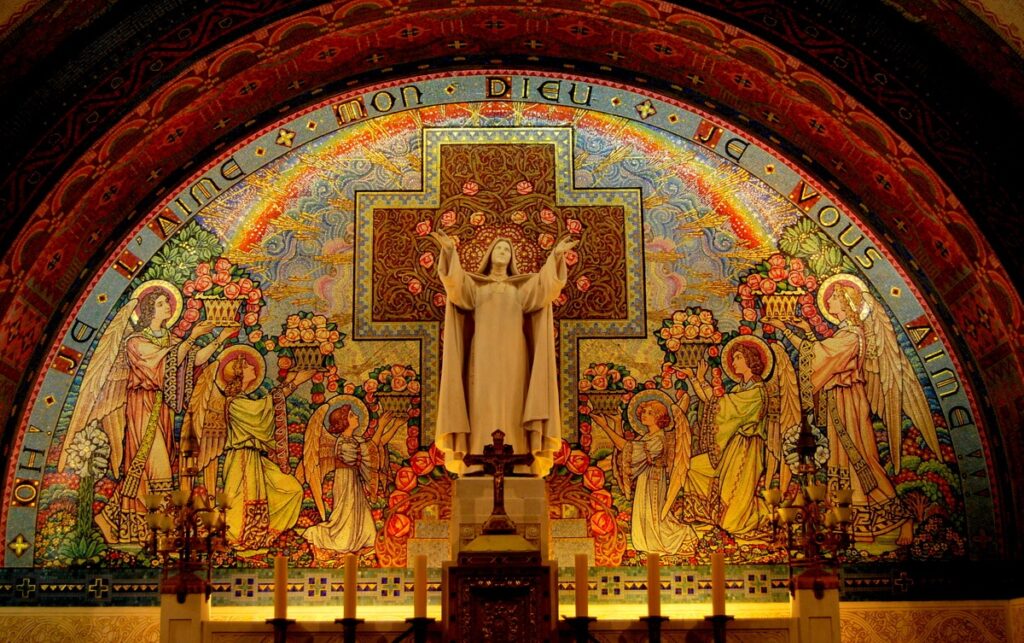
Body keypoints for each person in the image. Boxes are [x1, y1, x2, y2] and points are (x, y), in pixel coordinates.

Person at [764, 274, 940, 545]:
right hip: (839, 404)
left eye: (833, 297)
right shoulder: (844, 335)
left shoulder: (852, 336)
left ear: (846, 303)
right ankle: (851, 524)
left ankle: (903, 518)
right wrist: (793, 329)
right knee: (845, 463)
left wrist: (796, 331)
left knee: (863, 459)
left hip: (850, 404)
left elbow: (820, 357)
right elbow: (819, 353)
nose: (829, 300)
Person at [60, 280, 230, 543]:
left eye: (167, 304)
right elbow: (162, 362)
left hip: (161, 410)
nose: (167, 307)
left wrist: (219, 338)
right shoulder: (135, 342)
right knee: (156, 468)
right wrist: (193, 337)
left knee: (146, 471)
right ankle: (161, 532)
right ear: (149, 310)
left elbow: (192, 360)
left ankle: (111, 518)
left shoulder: (171, 339)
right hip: (142, 408)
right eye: (162, 304)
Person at [431, 230, 576, 476]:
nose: (502, 252)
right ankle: (477, 459)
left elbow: (545, 288)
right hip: (482, 358)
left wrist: (556, 256)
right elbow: (455, 286)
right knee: (481, 402)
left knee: (514, 401)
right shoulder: (476, 288)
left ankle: (518, 458)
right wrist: (448, 251)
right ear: (489, 255)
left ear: (512, 258)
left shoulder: (519, 290)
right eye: (498, 248)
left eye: (507, 250)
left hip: (515, 357)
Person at [187, 345, 309, 551]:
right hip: (241, 460)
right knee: (240, 503)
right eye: (248, 365)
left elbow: (263, 409)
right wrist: (294, 383)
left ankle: (266, 533)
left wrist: (292, 380)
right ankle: (232, 536)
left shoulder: (241, 400)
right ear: (240, 374)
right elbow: (261, 413)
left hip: (254, 459)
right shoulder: (234, 403)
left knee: (292, 489)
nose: (254, 367)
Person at [592, 389, 697, 554]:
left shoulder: (658, 438)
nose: (644, 415)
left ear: (658, 417)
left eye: (650, 413)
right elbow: (625, 452)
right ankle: (648, 542)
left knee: (655, 516)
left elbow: (626, 448)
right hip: (645, 479)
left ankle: (681, 535)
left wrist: (605, 426)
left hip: (654, 481)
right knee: (646, 513)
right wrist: (618, 423)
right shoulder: (645, 438)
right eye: (644, 412)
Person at [302, 398, 405, 554]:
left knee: (360, 508)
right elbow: (371, 446)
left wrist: (395, 426)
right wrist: (382, 425)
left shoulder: (354, 440)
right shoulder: (343, 442)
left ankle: (365, 538)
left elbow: (378, 444)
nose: (356, 416)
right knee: (346, 511)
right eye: (351, 415)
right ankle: (340, 539)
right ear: (344, 422)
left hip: (353, 478)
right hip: (344, 479)